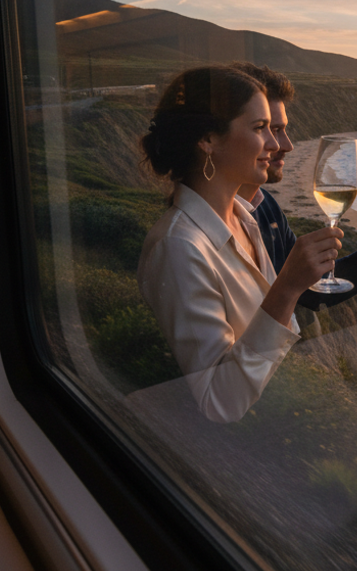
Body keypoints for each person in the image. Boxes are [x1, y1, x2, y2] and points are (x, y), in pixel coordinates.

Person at [137, 65, 343, 423]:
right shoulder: (179, 248)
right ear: (209, 139)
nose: (275, 144)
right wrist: (288, 286)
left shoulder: (244, 218)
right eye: (260, 128)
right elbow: (219, 401)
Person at [229, 62, 357, 309]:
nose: (287, 145)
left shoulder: (265, 206)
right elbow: (291, 291)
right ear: (211, 138)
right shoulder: (197, 236)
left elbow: (310, 291)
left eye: (281, 130)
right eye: (265, 129)